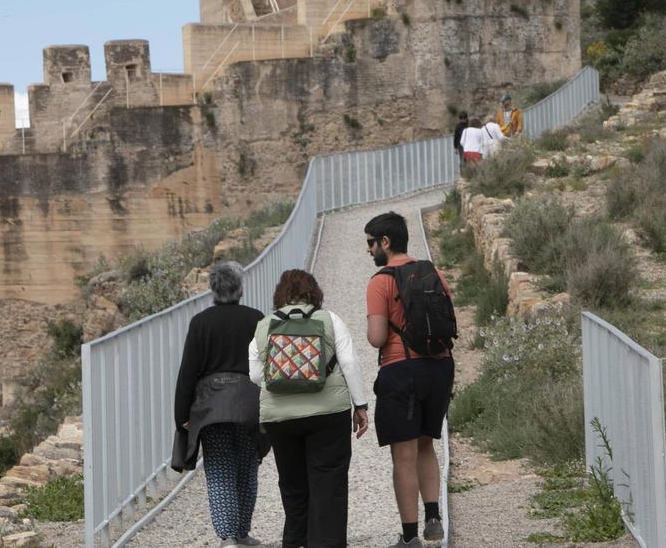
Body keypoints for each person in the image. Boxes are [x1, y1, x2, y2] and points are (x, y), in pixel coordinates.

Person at [248, 269, 369, 548]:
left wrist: (285, 379)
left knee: (292, 485)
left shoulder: (265, 325)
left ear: (280, 295)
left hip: (280, 417)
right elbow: (349, 363)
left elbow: (255, 374)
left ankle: (295, 541)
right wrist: (360, 405)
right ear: (314, 292)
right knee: (329, 482)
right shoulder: (329, 319)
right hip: (328, 414)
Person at [364, 212, 455, 548]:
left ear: (385, 242)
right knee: (426, 444)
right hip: (440, 368)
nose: (369, 250)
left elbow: (376, 337)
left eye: (371, 243)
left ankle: (410, 537)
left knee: (402, 456)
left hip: (401, 370)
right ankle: (434, 518)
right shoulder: (434, 272)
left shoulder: (381, 281)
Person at [173, 262, 267, 548]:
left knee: (219, 467)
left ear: (213, 289)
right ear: (240, 287)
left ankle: (227, 538)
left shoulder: (201, 322)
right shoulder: (257, 319)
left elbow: (188, 372)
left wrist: (182, 416)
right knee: (248, 466)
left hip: (211, 408)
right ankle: (241, 533)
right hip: (250, 404)